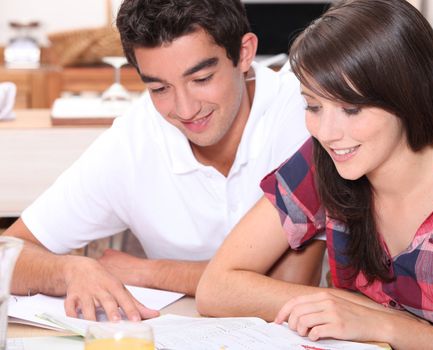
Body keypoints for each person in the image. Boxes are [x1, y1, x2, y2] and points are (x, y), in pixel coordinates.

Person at [196, 0, 433, 347]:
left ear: (407, 94)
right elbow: (217, 287)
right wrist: (346, 307)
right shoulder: (324, 159)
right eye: (313, 106)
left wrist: (386, 326)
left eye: (351, 108)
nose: (327, 131)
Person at [4, 0, 325, 322]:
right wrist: (69, 270)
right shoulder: (133, 140)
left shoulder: (307, 112)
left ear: (244, 53)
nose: (185, 110)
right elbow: (9, 251)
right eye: (159, 88)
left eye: (201, 79)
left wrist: (147, 271)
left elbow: (290, 287)